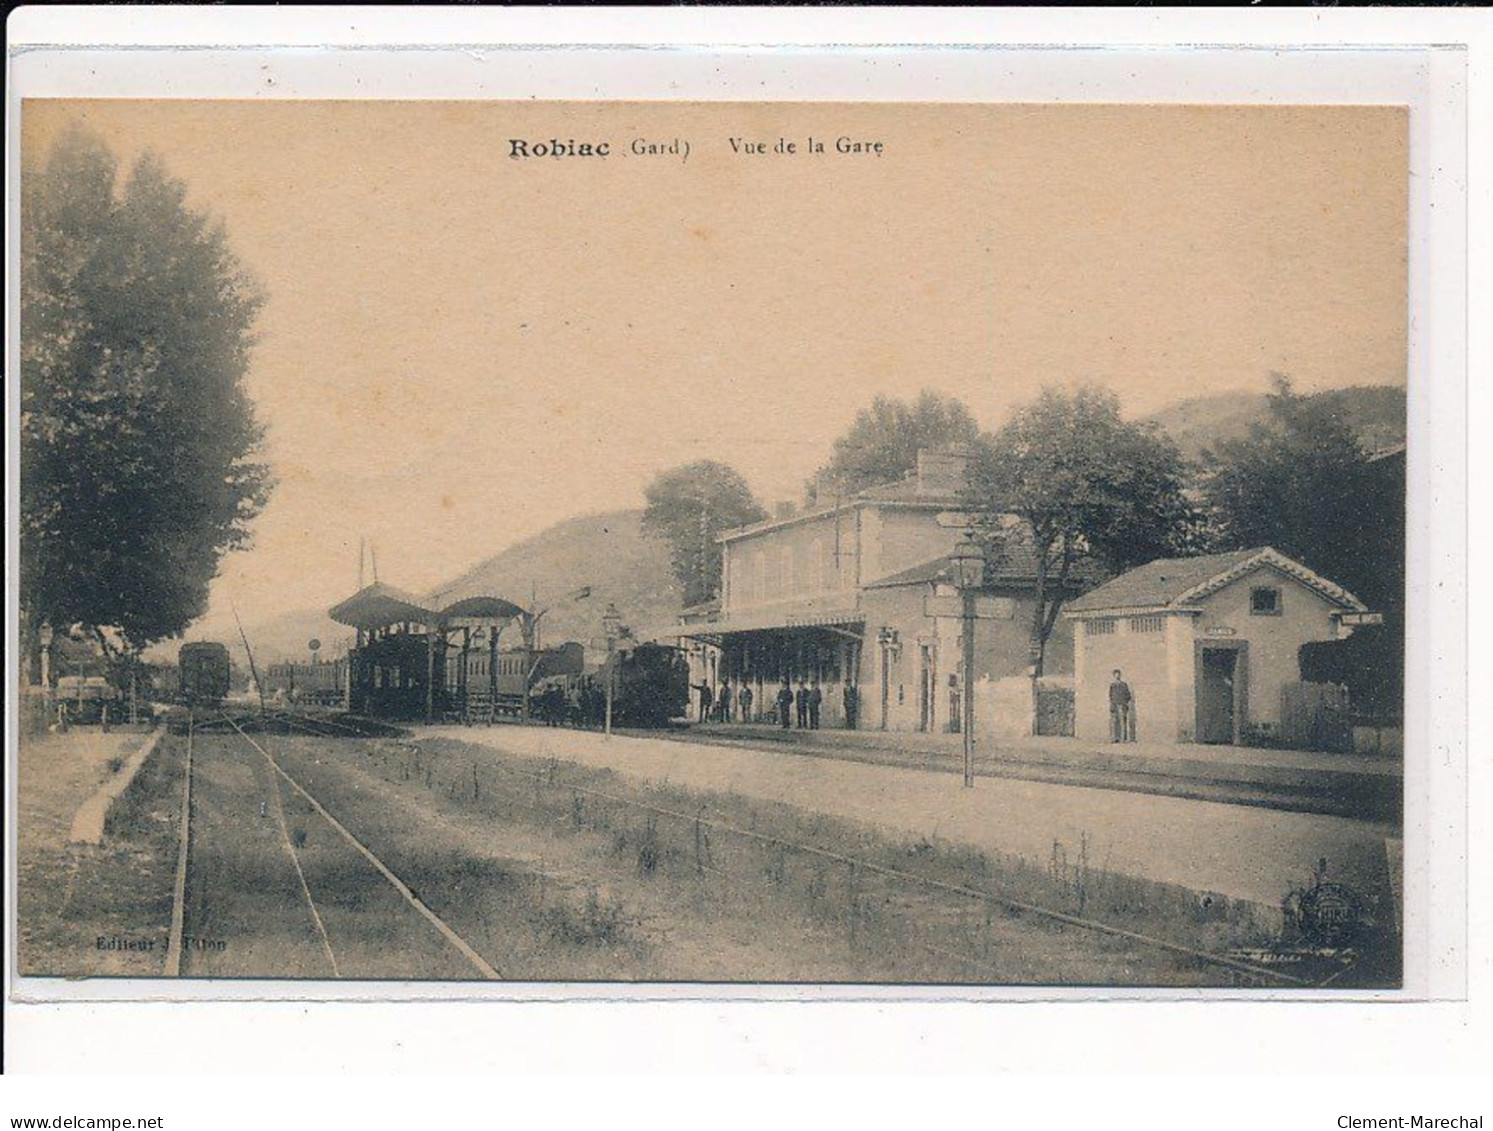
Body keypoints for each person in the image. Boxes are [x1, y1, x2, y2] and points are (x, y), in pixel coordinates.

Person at [1109, 669, 1135, 743]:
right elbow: (1111, 696)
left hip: (1122, 705)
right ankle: (1116, 738)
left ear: (1120, 675)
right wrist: (1112, 705)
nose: (1117, 676)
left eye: (1118, 674)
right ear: (1113, 676)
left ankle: (1123, 738)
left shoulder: (1124, 685)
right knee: (1115, 722)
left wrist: (1125, 703)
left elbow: (1128, 695)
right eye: (1116, 674)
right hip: (1115, 705)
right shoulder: (1112, 685)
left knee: (1123, 722)